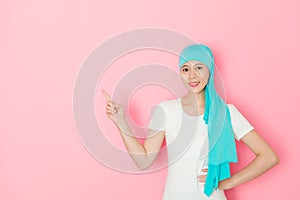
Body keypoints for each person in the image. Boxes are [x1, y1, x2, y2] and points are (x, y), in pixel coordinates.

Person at [101, 44, 279, 199]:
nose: (192, 76)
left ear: (209, 70)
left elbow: (269, 157)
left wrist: (228, 183)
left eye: (199, 68)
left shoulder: (226, 113)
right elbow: (144, 161)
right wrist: (121, 122)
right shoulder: (166, 110)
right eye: (185, 69)